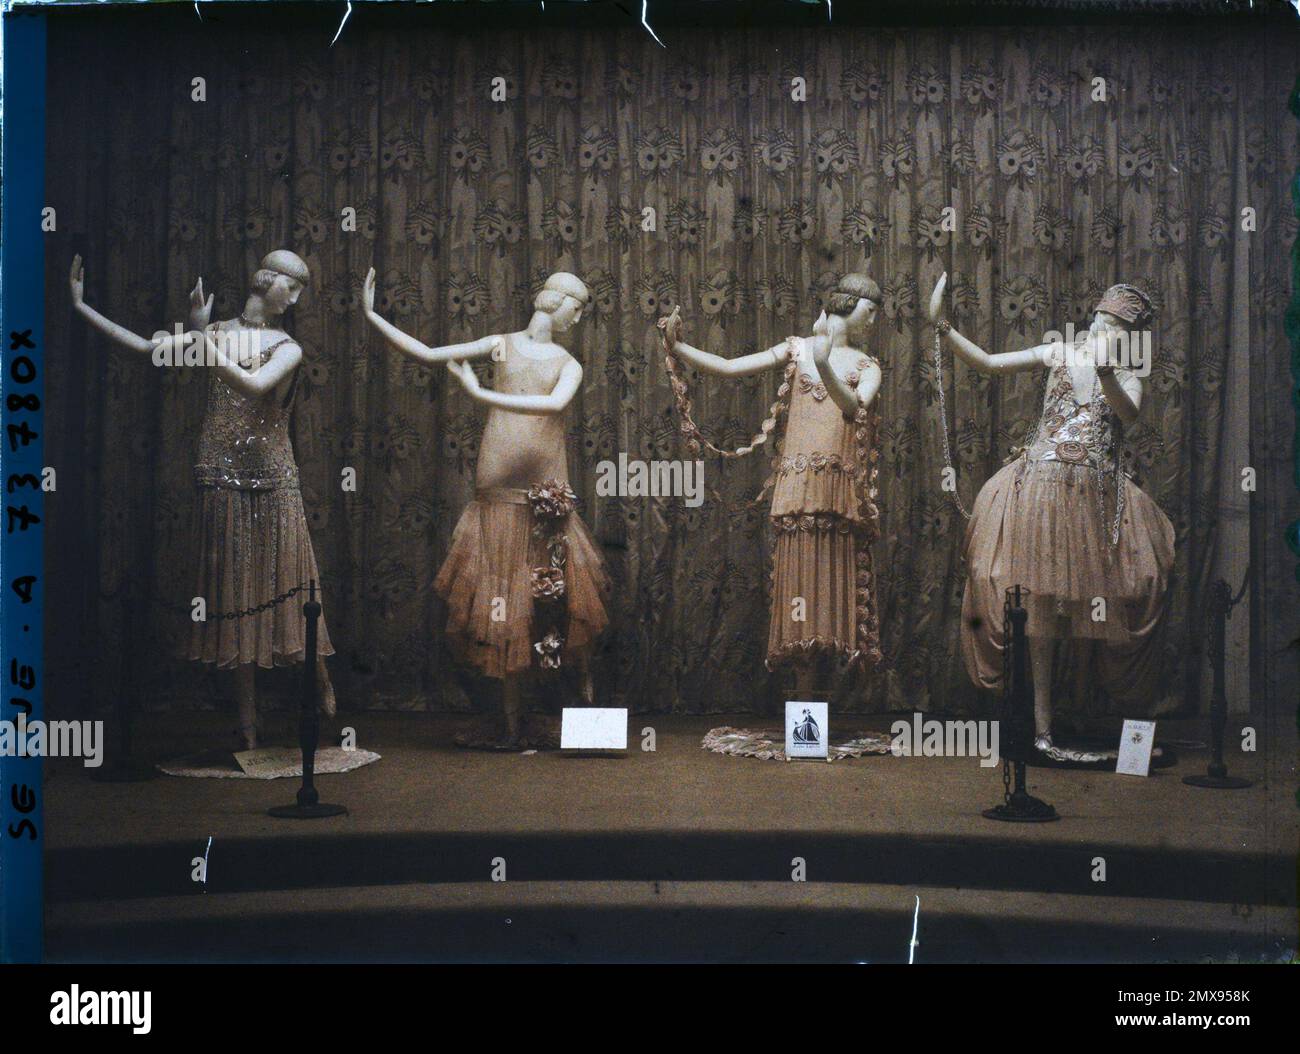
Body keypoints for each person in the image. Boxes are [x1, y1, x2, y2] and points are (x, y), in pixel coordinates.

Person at [70, 250, 336, 751]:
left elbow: (254, 386)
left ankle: (319, 677)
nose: (296, 299)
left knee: (295, 583)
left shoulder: (288, 347)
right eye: (292, 287)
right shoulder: (215, 334)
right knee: (234, 592)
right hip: (219, 472)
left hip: (274, 474)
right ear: (267, 281)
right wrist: (82, 307)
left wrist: (201, 333)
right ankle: (247, 724)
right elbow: (145, 349)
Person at [927, 272, 1174, 761]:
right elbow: (990, 363)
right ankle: (1042, 730)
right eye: (1103, 322)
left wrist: (1107, 373)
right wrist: (944, 328)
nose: (1106, 332)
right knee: (1039, 605)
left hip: (1096, 495)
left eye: (1118, 329)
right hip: (1039, 490)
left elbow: (1127, 416)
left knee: (1125, 587)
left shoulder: (1128, 374)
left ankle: (1094, 716)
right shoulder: (1059, 353)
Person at [363, 268, 609, 749]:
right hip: (498, 478)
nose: (578, 319)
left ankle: (582, 712)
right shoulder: (502, 344)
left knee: (561, 595)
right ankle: (512, 721)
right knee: (505, 595)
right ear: (557, 302)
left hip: (544, 485)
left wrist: (478, 394)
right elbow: (432, 354)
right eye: (576, 308)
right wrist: (373, 316)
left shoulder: (569, 364)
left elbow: (550, 405)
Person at [659, 273, 885, 698]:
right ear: (849, 306)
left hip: (837, 495)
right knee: (800, 588)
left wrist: (823, 364)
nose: (873, 322)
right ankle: (804, 705)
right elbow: (730, 368)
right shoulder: (798, 350)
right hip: (798, 489)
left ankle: (814, 707)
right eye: (870, 312)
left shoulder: (867, 366)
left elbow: (855, 407)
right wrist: (679, 347)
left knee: (828, 593)